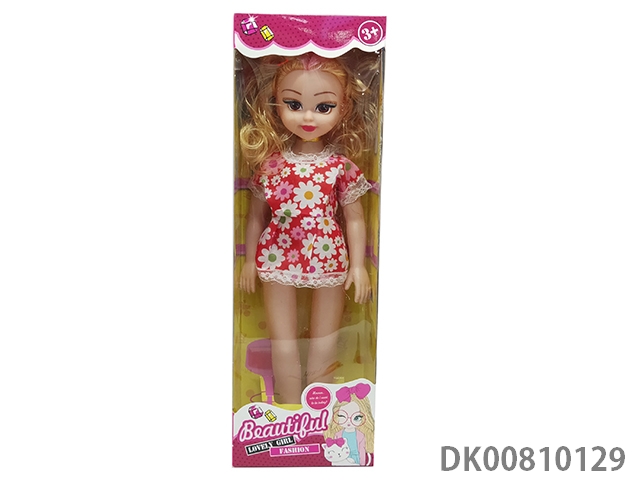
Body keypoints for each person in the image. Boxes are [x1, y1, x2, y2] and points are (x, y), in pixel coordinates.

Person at [238, 52, 378, 404]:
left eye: (324, 107)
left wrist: (358, 266)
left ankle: (320, 410)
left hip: (329, 257)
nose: (308, 117)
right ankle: (288, 408)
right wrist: (250, 261)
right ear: (276, 104)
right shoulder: (271, 166)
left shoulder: (339, 166)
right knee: (283, 342)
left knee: (324, 342)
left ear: (344, 108)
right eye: (294, 104)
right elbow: (256, 216)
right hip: (277, 255)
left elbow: (355, 218)